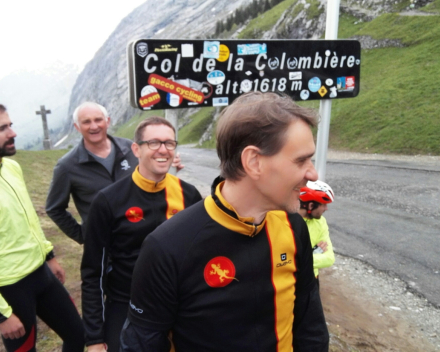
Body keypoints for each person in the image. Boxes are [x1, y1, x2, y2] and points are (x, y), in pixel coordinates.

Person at [120, 92, 329, 351]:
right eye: (301, 160)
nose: (313, 173)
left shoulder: (293, 226)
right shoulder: (167, 247)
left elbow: (311, 328)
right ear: (253, 161)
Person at [81, 117, 202, 352]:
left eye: (169, 143)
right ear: (136, 149)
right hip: (126, 303)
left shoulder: (189, 195)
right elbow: (93, 272)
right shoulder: (109, 200)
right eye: (154, 143)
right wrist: (94, 338)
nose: (163, 150)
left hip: (179, 304)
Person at [0, 104, 84, 352]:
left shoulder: (11, 167)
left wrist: (48, 255)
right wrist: (2, 315)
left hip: (40, 273)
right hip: (11, 288)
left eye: (10, 125)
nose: (13, 133)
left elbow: (28, 220)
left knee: (79, 336)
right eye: (2, 128)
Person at [45, 102, 183, 245]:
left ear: (107, 121)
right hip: (104, 246)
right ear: (77, 127)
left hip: (142, 238)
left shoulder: (131, 149)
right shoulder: (67, 166)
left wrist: (167, 167)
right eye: (86, 122)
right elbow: (54, 208)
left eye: (98, 120)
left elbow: (152, 179)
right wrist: (83, 236)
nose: (94, 126)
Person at [298, 181, 335, 281]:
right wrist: (314, 253)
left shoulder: (321, 222)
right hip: (291, 282)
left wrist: (302, 258)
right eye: (323, 204)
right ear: (310, 205)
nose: (326, 208)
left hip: (312, 278)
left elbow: (329, 258)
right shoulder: (288, 222)